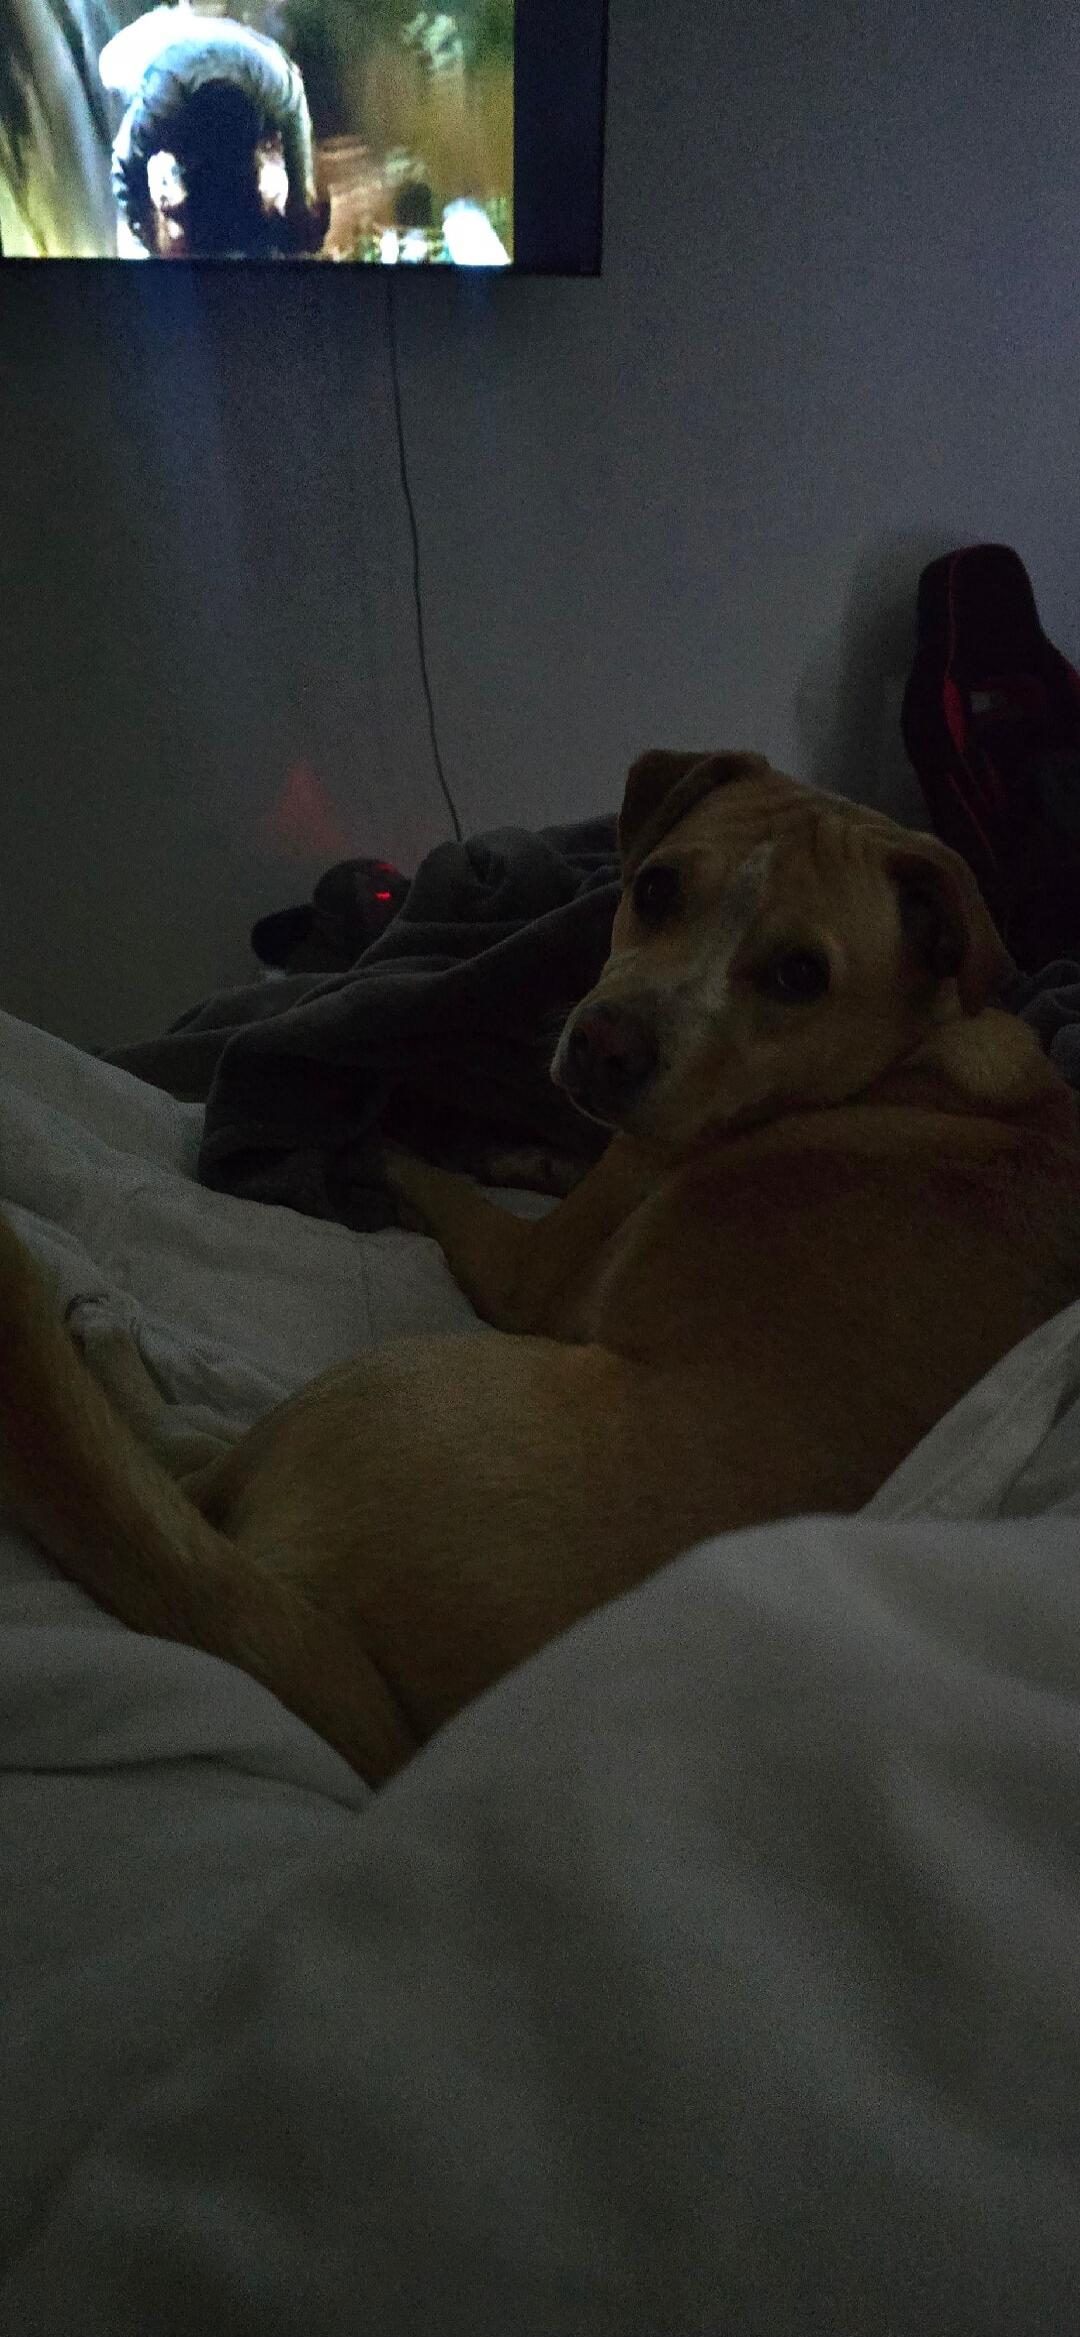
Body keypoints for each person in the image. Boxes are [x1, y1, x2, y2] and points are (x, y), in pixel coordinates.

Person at [99, 5, 329, 257]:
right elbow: (125, 165)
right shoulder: (158, 97)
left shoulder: (275, 82)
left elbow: (297, 126)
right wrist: (146, 236)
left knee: (236, 202)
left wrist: (299, 203)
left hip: (238, 49)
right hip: (141, 54)